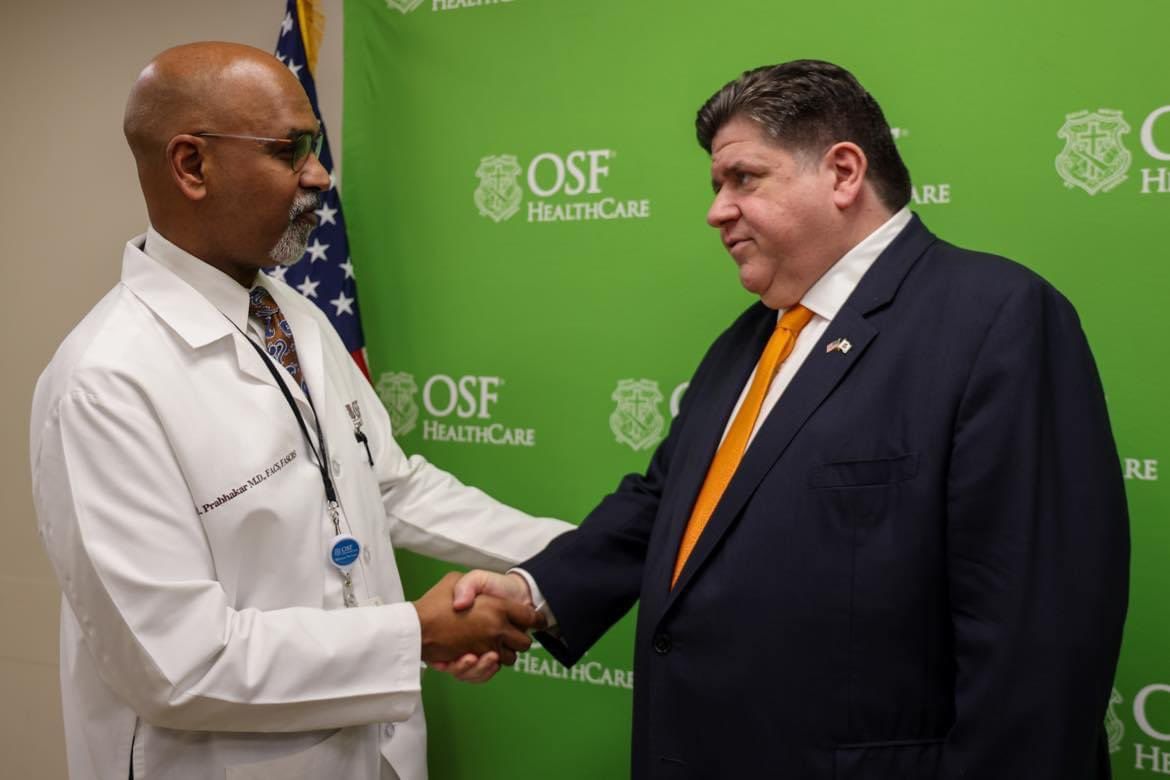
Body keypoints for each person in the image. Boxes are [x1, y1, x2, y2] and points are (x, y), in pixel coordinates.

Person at [452, 60, 1130, 778]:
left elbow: (1038, 641)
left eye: (744, 178)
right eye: (717, 185)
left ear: (842, 173)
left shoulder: (997, 317)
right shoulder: (750, 338)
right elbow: (666, 507)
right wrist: (534, 593)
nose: (717, 209)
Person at [28, 42, 572, 780]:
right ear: (192, 165)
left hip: (371, 752)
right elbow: (178, 663)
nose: (320, 175)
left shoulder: (293, 316)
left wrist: (580, 555)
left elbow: (390, 488)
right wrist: (413, 633)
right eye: (292, 150)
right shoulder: (105, 382)